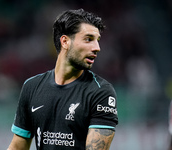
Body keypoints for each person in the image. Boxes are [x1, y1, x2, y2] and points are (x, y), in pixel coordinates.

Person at [7, 9, 118, 150]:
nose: (97, 48)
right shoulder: (32, 86)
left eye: (97, 40)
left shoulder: (101, 92)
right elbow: (18, 146)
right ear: (65, 42)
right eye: (88, 39)